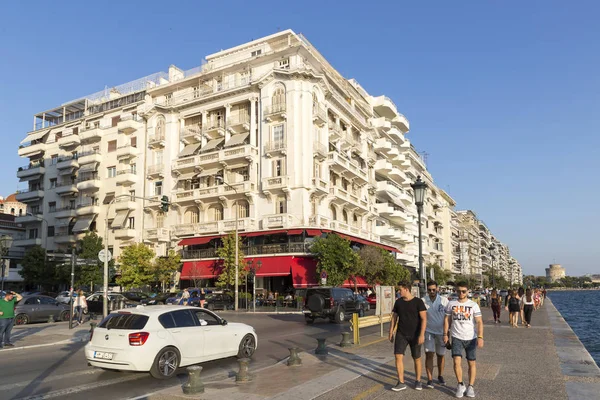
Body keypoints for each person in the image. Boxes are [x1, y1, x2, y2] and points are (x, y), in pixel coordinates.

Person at [444, 281, 483, 398]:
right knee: (456, 361)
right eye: (459, 291)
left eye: (463, 291)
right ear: (456, 291)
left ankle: (470, 386)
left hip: (471, 337)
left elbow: (479, 322)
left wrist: (480, 337)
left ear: (468, 291)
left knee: (471, 362)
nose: (461, 293)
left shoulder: (473, 305)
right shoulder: (451, 304)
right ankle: (460, 384)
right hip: (456, 337)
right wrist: (445, 334)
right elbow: (447, 320)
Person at [388, 281, 427, 392]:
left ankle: (418, 380)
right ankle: (401, 382)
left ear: (406, 289)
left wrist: (422, 334)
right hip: (401, 334)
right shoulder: (398, 302)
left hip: (415, 334)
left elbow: (424, 319)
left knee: (417, 358)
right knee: (398, 356)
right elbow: (394, 317)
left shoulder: (418, 302)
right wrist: (391, 332)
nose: (398, 292)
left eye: (400, 290)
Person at [422, 281, 449, 388]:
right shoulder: (423, 301)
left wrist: (448, 333)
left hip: (442, 332)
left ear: (437, 289)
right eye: (429, 290)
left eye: (433, 289)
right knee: (429, 354)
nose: (431, 292)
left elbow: (448, 317)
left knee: (440, 355)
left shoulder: (444, 300)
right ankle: (429, 379)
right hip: (428, 331)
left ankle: (440, 375)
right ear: (427, 290)